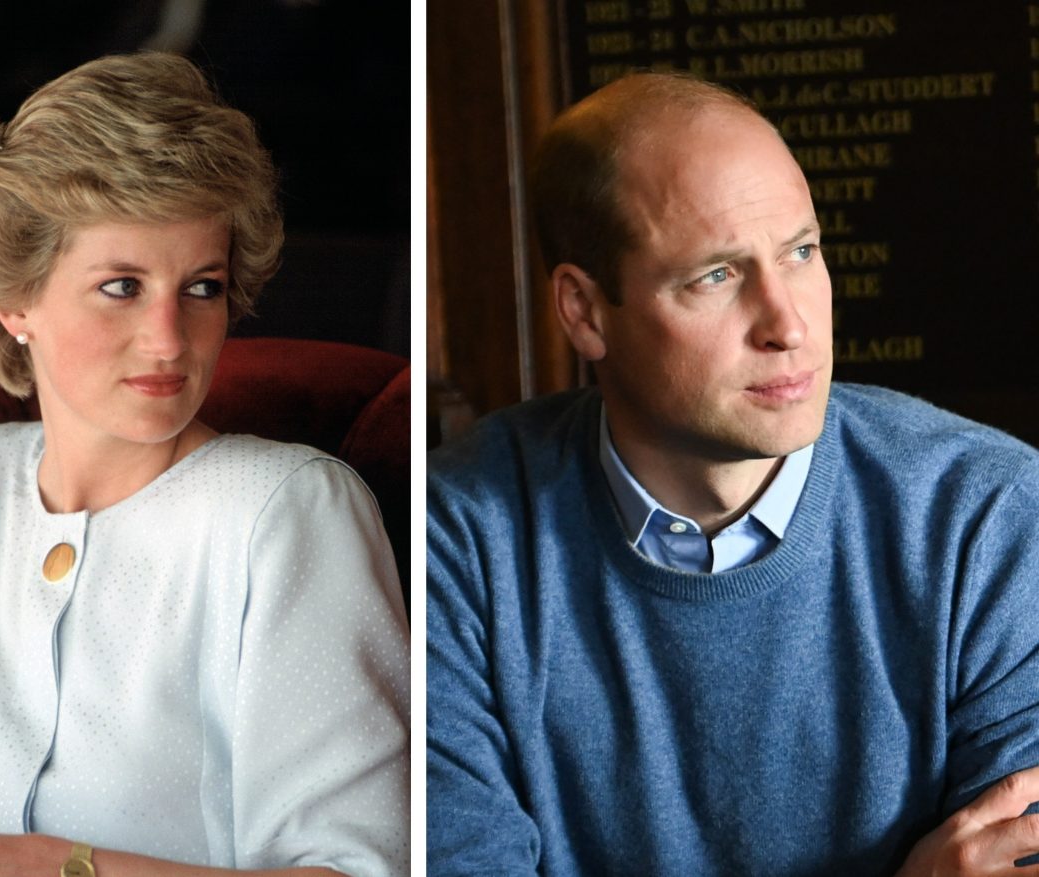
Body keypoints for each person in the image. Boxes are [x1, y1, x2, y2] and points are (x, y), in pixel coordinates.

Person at [426, 71, 1039, 875]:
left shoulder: (989, 516)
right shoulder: (459, 533)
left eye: (802, 252)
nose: (788, 324)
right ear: (583, 311)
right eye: (716, 275)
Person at [0, 52, 409, 876]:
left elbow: (353, 868)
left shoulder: (288, 511)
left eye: (202, 287)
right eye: (121, 286)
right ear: (16, 301)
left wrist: (43, 862)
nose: (170, 340)